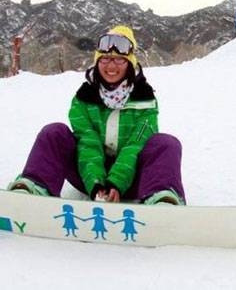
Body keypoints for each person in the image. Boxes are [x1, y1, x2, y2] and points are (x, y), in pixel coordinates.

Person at [7, 25, 185, 205]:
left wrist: (116, 182)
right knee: (54, 132)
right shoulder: (84, 99)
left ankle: (162, 199)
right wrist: (96, 184)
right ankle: (34, 187)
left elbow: (135, 146)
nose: (111, 66)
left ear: (130, 63)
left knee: (166, 143)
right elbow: (87, 142)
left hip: (134, 180)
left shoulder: (145, 100)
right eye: (105, 59)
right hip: (88, 177)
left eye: (119, 60)